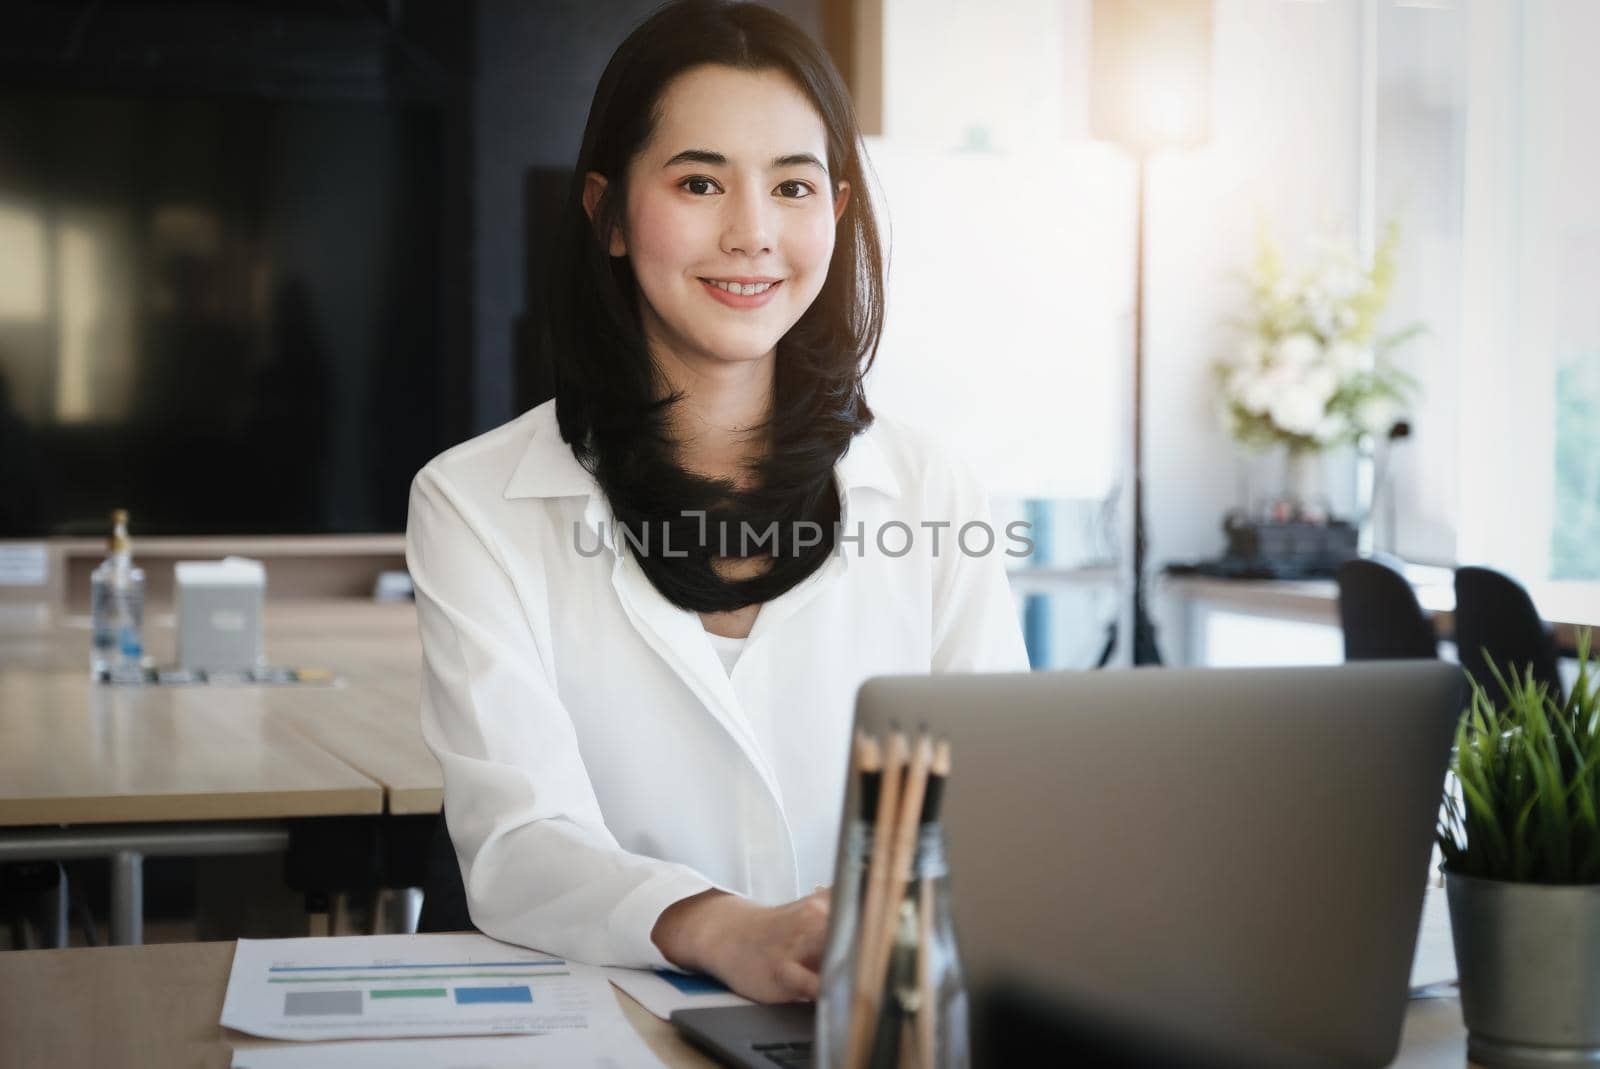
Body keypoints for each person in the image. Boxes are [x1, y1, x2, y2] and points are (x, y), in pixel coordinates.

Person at [405, 0, 1028, 1004]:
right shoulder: (474, 500)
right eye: (699, 182)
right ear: (608, 214)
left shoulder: (929, 488)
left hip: (875, 1020)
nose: (751, 233)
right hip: (608, 1023)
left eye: (792, 185)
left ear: (836, 207)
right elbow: (519, 838)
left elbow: (1008, 799)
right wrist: (720, 927)